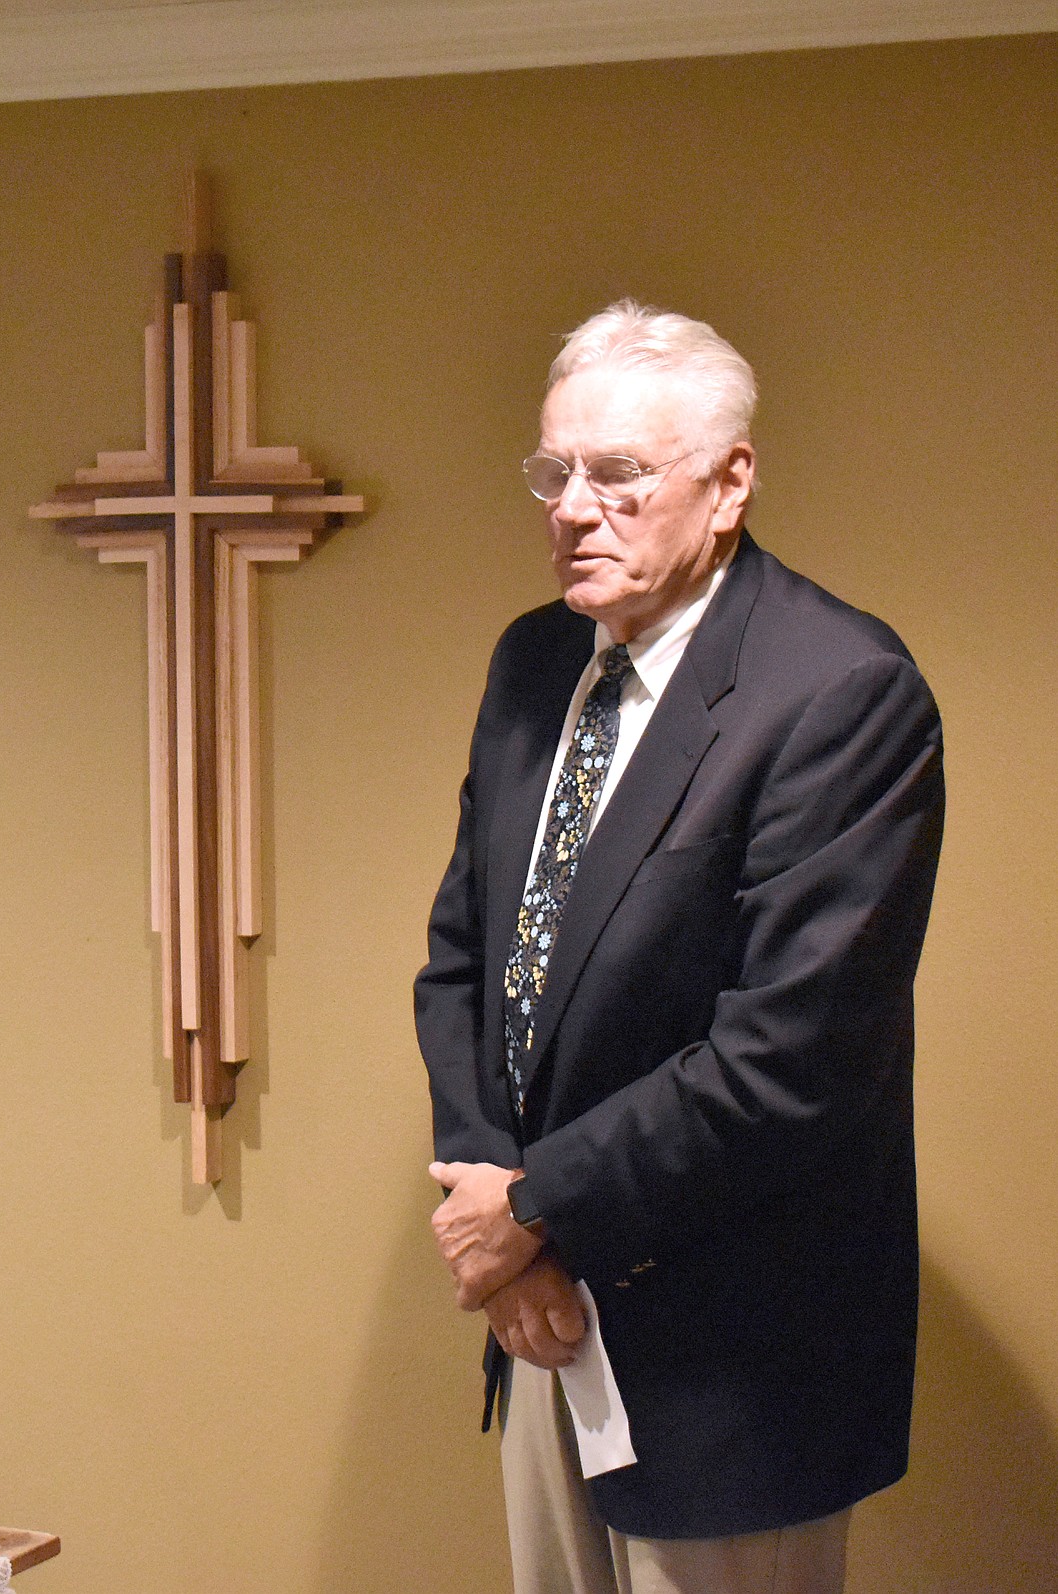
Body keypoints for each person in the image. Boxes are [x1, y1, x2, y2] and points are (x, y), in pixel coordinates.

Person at [414, 302, 944, 1594]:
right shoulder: (535, 661)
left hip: (732, 1356)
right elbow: (470, 960)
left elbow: (788, 1060)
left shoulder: (839, 690)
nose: (573, 509)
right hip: (540, 1317)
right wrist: (495, 1218)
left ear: (730, 479)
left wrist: (534, 1210)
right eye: (553, 471)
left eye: (618, 475)